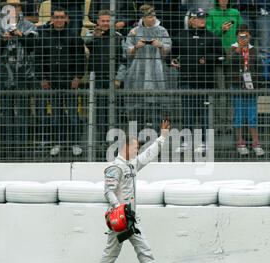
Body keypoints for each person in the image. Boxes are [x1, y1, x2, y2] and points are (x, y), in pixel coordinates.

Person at [93, 120, 178, 263]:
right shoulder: (114, 167)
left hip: (130, 217)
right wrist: (118, 209)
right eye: (135, 146)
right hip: (120, 218)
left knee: (143, 248)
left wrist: (162, 137)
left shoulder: (131, 164)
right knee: (112, 251)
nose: (137, 149)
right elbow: (108, 192)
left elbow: (148, 155)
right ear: (126, 147)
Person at [0, 0, 38, 154]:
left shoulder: (29, 26)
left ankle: (22, 146)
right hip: (3, 74)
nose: (14, 10)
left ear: (20, 9)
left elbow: (34, 45)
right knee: (6, 110)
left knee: (23, 110)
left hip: (23, 75)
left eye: (16, 7)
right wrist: (3, 39)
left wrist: (21, 36)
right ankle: (8, 145)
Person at [35, 6, 86, 157]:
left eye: (61, 17)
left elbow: (80, 58)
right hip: (52, 82)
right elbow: (38, 59)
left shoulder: (74, 36)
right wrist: (42, 78)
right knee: (56, 114)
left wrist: (77, 76)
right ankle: (58, 143)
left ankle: (75, 143)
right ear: (52, 19)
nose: (58, 20)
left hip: (70, 82)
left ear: (66, 19)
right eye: (56, 17)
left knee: (72, 114)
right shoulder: (44, 36)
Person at [171, 8, 224, 153]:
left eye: (203, 18)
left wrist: (207, 59)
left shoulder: (211, 37)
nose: (202, 20)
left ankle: (204, 142)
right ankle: (186, 142)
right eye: (199, 18)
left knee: (204, 113)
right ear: (191, 20)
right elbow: (171, 55)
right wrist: (172, 60)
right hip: (186, 80)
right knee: (187, 112)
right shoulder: (180, 36)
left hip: (205, 82)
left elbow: (222, 57)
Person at [84, 9, 127, 158]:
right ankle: (103, 142)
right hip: (96, 81)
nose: (105, 23)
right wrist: (95, 35)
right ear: (98, 22)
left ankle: (114, 142)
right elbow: (85, 42)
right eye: (102, 21)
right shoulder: (92, 34)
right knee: (100, 113)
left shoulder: (118, 37)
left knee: (115, 112)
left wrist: (117, 79)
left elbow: (123, 60)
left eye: (108, 21)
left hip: (113, 81)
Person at [123, 4, 172, 132]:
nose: (153, 19)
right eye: (150, 16)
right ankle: (138, 135)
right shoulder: (134, 31)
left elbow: (167, 49)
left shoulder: (162, 30)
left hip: (157, 71)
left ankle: (155, 133)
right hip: (138, 70)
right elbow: (127, 51)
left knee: (156, 105)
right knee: (138, 106)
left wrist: (160, 45)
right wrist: (136, 47)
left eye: (154, 16)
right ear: (143, 18)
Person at [225, 24, 265, 156]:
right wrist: (239, 50)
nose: (244, 39)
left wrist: (258, 86)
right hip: (237, 86)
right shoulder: (232, 49)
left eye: (246, 36)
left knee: (252, 116)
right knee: (239, 116)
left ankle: (255, 143)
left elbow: (258, 68)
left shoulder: (254, 50)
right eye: (241, 36)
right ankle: (240, 142)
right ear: (237, 36)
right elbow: (229, 64)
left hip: (251, 88)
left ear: (250, 36)